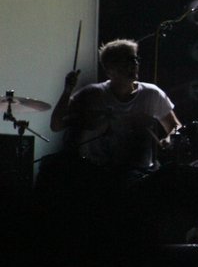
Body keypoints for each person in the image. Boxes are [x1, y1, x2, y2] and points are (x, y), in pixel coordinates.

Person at [50, 38, 181, 177]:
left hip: (140, 174)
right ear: (109, 69)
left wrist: (170, 138)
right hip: (97, 173)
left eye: (135, 59)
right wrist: (67, 91)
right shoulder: (92, 94)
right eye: (127, 60)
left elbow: (175, 126)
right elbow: (56, 126)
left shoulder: (152, 94)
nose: (135, 64)